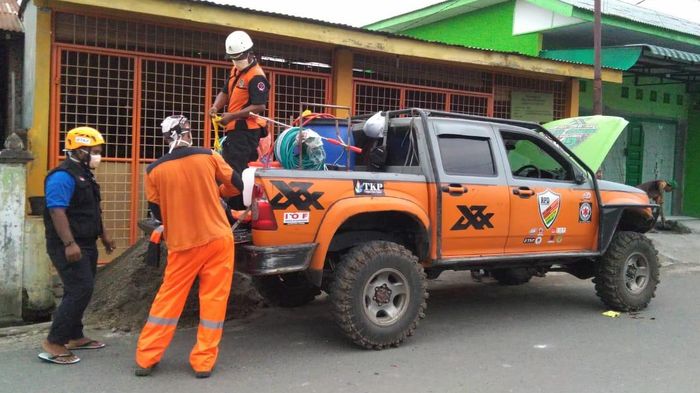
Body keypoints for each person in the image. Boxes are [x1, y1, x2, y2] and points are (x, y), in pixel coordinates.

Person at [135, 115, 241, 378]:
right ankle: (203, 362)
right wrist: (217, 192)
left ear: (165, 138)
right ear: (187, 133)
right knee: (214, 301)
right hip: (218, 240)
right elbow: (237, 185)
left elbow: (157, 213)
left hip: (183, 246)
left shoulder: (153, 171)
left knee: (168, 300)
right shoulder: (208, 156)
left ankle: (147, 358)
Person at [39, 127, 115, 365]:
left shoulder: (85, 174)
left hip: (86, 242)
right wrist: (69, 243)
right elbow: (56, 210)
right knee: (80, 288)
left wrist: (104, 235)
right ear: (78, 151)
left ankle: (74, 335)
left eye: (98, 151)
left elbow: (92, 209)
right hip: (68, 244)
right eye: (93, 152)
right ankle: (54, 342)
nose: (98, 156)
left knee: (82, 288)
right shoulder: (62, 176)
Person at [209, 30, 269, 208]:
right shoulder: (236, 70)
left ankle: (236, 208)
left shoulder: (257, 76)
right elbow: (225, 91)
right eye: (232, 58)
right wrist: (215, 107)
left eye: (238, 57)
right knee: (232, 167)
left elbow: (259, 106)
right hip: (235, 130)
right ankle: (237, 205)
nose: (235, 61)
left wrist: (232, 116)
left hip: (246, 131)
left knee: (235, 171)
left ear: (249, 52)